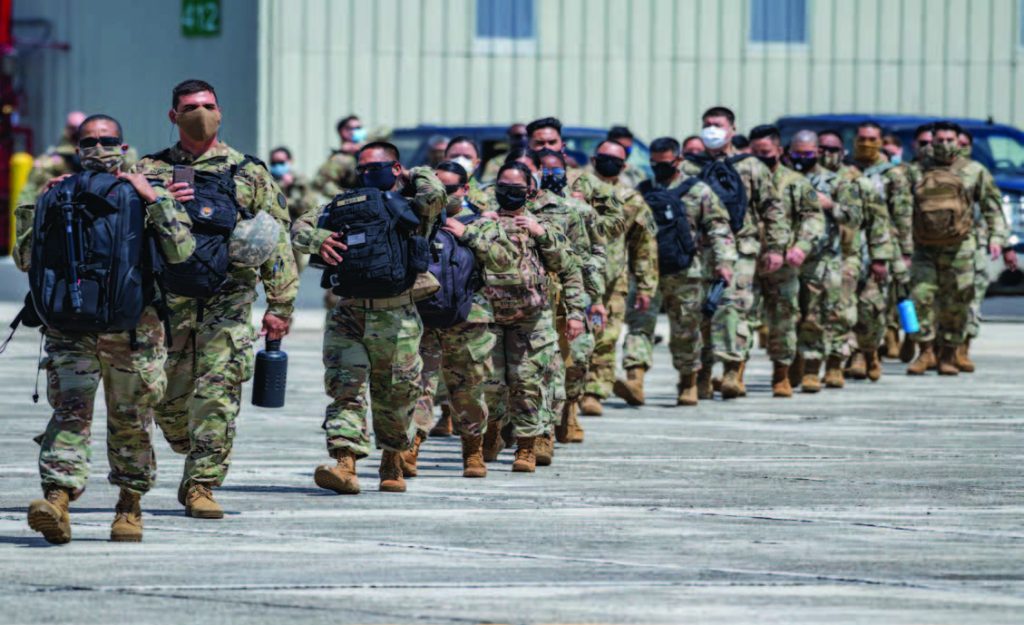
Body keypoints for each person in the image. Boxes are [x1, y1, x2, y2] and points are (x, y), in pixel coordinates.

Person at [17, 114, 195, 544]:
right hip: (71, 327)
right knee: (70, 413)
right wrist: (40, 209)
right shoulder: (57, 193)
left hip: (133, 329)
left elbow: (181, 250)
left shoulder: (146, 190)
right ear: (76, 148)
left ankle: (129, 507)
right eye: (89, 141)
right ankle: (57, 499)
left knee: (131, 420)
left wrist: (153, 198)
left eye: (107, 140)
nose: (98, 148)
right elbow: (26, 259)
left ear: (124, 144)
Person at [134, 79, 298, 519]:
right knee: (166, 399)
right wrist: (159, 200)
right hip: (168, 302)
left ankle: (202, 484)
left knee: (218, 395)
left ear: (220, 112)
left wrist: (280, 306)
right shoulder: (150, 169)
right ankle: (189, 443)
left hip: (229, 298)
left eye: (207, 105)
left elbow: (277, 239)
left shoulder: (248, 172)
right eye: (190, 107)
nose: (200, 113)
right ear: (173, 116)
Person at [294, 141, 446, 494]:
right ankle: (345, 463)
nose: (364, 174)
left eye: (373, 167)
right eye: (360, 168)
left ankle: (393, 457)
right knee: (345, 391)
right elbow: (299, 227)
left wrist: (415, 173)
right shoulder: (343, 207)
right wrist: (319, 239)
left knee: (397, 395)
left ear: (395, 168)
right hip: (348, 314)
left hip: (397, 317)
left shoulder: (413, 208)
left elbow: (436, 194)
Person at [406, 161, 516, 478]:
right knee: (418, 388)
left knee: (467, 390)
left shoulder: (482, 224)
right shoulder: (415, 222)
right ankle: (411, 449)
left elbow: (505, 262)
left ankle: (473, 451)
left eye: (449, 189)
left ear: (465, 190)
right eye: (435, 189)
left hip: (469, 322)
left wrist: (467, 235)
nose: (441, 196)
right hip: (422, 320)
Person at [481, 162, 585, 472]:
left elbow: (570, 266)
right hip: (488, 316)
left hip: (533, 318)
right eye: (503, 188)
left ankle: (528, 446)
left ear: (529, 191)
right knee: (491, 383)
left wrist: (576, 313)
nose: (508, 194)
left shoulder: (544, 226)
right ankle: (494, 431)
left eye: (516, 189)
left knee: (528, 382)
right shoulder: (482, 222)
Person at [681, 106, 789, 400]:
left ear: (732, 130)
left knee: (733, 307)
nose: (711, 130)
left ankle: (731, 369)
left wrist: (777, 248)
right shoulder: (689, 167)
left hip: (742, 248)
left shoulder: (751, 166)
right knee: (699, 311)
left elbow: (773, 209)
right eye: (706, 125)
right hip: (700, 251)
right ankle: (701, 374)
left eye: (717, 124)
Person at [505, 148, 600, 459]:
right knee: (507, 374)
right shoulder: (490, 212)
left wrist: (583, 306)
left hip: (550, 303)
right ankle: (504, 429)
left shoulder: (566, 211)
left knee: (548, 371)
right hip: (500, 305)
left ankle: (544, 432)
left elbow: (579, 263)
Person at [629, 137, 735, 406]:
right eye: (654, 163)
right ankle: (634, 378)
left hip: (687, 272)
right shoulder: (641, 191)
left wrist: (724, 263)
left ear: (678, 160)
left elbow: (719, 227)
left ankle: (688, 381)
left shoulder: (699, 191)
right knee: (640, 325)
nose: (658, 168)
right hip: (647, 272)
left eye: (664, 163)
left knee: (686, 329)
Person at [906, 121, 1010, 375]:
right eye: (939, 139)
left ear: (959, 141)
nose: (944, 145)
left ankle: (950, 353)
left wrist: (998, 238)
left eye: (950, 139)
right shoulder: (915, 171)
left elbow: (992, 207)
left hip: (961, 248)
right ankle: (925, 351)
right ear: (931, 142)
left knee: (958, 302)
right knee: (920, 298)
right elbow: (901, 210)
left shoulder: (974, 171)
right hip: (924, 248)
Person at [573, 140, 657, 416]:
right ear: (594, 158)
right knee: (574, 336)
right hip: (573, 278)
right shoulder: (574, 187)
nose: (608, 163)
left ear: (624, 166)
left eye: (615, 160)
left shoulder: (632, 199)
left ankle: (595, 391)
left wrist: (645, 285)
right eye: (604, 157)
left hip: (612, 281)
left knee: (606, 336)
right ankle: (571, 392)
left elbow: (644, 245)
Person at [749, 125, 825, 397]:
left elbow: (813, 216)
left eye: (766, 152)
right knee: (741, 316)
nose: (760, 157)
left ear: (779, 151)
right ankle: (734, 371)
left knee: (784, 318)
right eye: (755, 153)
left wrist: (802, 246)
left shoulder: (795, 182)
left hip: (783, 264)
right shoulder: (738, 179)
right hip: (748, 260)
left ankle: (781, 373)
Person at [789, 130, 860, 391]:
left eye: (807, 153)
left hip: (825, 259)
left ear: (817, 152)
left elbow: (855, 217)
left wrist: (831, 206)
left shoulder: (837, 182)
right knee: (798, 316)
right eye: (797, 153)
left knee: (828, 315)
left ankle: (828, 365)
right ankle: (801, 365)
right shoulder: (786, 179)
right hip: (792, 259)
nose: (801, 158)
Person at [847, 121, 912, 381]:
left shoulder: (892, 174)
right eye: (861, 138)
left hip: (882, 248)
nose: (866, 143)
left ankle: (871, 351)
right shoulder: (846, 171)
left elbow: (903, 215)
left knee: (873, 306)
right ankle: (854, 355)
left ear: (881, 141)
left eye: (872, 139)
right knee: (846, 304)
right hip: (849, 247)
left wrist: (905, 253)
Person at [957, 128, 1016, 371]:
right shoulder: (928, 172)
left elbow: (994, 211)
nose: (954, 147)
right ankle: (936, 350)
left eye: (960, 143)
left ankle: (962, 349)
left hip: (974, 247)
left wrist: (1001, 242)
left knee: (970, 299)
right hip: (935, 248)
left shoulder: (978, 174)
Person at [17, 111, 88, 206]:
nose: (77, 132)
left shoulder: (95, 159)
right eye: (73, 128)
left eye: (81, 128)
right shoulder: (47, 162)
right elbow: (28, 196)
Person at [269, 146, 318, 272]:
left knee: (295, 270)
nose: (277, 166)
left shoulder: (300, 181)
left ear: (290, 161)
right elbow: (269, 204)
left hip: (296, 231)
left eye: (281, 162)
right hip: (273, 233)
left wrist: (290, 195)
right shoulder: (267, 180)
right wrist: (282, 187)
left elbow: (310, 206)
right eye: (274, 163)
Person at [311, 114, 367, 199]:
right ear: (344, 132)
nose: (360, 131)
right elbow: (321, 183)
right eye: (356, 128)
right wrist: (347, 198)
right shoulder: (340, 159)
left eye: (360, 127)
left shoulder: (368, 150)